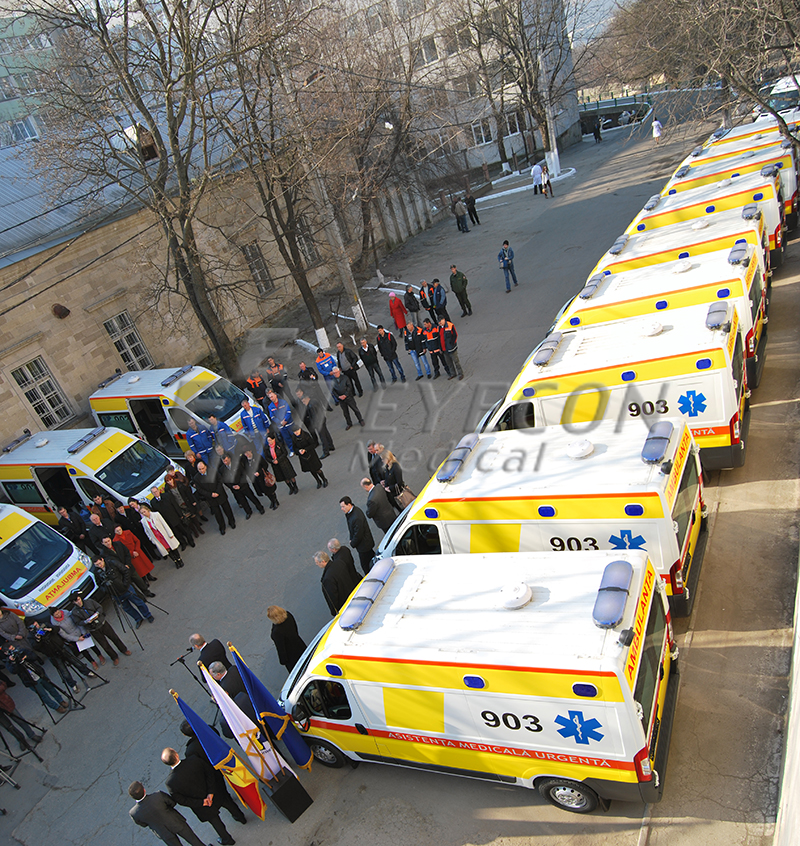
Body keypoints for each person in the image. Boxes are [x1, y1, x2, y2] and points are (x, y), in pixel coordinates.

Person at [161, 747, 236, 845]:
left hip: (202, 806)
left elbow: (181, 800)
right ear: (176, 755)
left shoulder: (170, 782)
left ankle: (227, 839)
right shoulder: (194, 760)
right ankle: (240, 817)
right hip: (215, 793)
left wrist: (202, 802)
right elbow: (209, 773)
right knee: (228, 804)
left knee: (215, 822)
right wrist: (211, 793)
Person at [128, 781, 208, 846]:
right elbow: (172, 803)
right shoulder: (158, 795)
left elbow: (143, 824)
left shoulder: (133, 813)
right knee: (193, 840)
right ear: (144, 790)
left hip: (163, 832)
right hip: (176, 822)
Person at [29, 621, 94, 693]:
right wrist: (38, 639)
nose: (36, 627)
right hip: (52, 654)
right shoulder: (31, 636)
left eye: (36, 624)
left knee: (75, 661)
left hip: (61, 648)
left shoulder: (45, 625)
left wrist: (49, 629)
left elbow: (57, 629)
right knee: (63, 670)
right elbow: (36, 647)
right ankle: (73, 685)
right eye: (33, 627)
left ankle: (87, 672)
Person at [3, 642, 69, 713]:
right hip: (30, 680)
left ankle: (60, 700)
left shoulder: (22, 651)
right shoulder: (8, 662)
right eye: (10, 651)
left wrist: (26, 657)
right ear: (6, 653)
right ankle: (56, 707)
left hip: (39, 673)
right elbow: (13, 671)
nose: (13, 651)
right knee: (43, 695)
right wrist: (13, 662)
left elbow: (34, 656)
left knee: (51, 688)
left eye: (13, 648)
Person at [70, 591, 131, 666]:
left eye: (79, 599)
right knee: (104, 645)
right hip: (94, 629)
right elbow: (78, 622)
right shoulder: (75, 612)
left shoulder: (89, 601)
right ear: (73, 602)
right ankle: (114, 657)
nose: (79, 602)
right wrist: (86, 622)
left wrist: (97, 613)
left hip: (102, 623)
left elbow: (99, 607)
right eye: (76, 601)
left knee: (114, 637)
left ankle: (124, 649)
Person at [94, 556, 155, 628]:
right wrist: (107, 590)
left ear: (102, 559)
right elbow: (99, 583)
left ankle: (148, 615)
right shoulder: (96, 572)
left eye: (100, 563)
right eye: (97, 565)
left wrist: (125, 584)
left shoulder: (112, 563)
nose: (99, 565)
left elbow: (125, 571)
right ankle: (138, 618)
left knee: (138, 602)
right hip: (115, 594)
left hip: (126, 589)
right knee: (127, 608)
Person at [194, 461, 236, 535]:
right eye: (199, 469)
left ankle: (231, 522)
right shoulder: (196, 478)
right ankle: (222, 527)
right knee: (217, 514)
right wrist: (210, 494)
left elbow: (220, 480)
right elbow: (200, 489)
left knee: (227, 509)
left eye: (202, 468)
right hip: (210, 498)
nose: (201, 470)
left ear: (206, 467)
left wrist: (217, 492)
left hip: (220, 494)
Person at [314, 550, 362, 615]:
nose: (316, 564)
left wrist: (335, 612)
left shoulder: (328, 578)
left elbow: (332, 598)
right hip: (353, 592)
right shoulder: (339, 562)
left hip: (345, 604)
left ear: (323, 561)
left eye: (317, 562)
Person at [139, 503, 186, 568]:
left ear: (148, 510)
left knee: (173, 547)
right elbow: (146, 531)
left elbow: (164, 524)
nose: (144, 513)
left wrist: (170, 533)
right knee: (167, 550)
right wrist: (151, 539)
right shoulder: (143, 521)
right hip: (157, 538)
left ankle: (179, 559)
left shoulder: (156, 514)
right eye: (142, 513)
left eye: (144, 511)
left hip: (164, 534)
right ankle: (175, 561)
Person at [220, 452, 265, 518]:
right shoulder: (222, 469)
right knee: (242, 501)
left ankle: (260, 507)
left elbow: (243, 474)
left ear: (229, 459)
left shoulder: (237, 464)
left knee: (251, 497)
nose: (225, 462)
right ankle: (248, 511)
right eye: (223, 461)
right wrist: (232, 486)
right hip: (234, 488)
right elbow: (225, 480)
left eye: (226, 460)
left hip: (243, 485)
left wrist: (240, 485)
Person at [340, 496, 375, 575]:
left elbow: (358, 534)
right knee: (371, 558)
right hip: (365, 544)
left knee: (365, 565)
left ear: (349, 505)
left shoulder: (356, 517)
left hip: (364, 546)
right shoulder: (353, 512)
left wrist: (352, 543)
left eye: (343, 506)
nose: (342, 509)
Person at [295, 388, 335, 457]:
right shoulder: (313, 402)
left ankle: (326, 451)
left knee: (322, 436)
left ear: (307, 399)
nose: (303, 403)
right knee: (325, 432)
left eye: (304, 401)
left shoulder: (311, 406)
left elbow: (314, 416)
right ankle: (331, 445)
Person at [267, 606, 307, 671]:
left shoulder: (277, 632)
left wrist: (283, 661)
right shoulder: (288, 615)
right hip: (299, 645)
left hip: (291, 656)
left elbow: (280, 648)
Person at [266, 389, 295, 454]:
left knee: (294, 435)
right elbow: (272, 417)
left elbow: (288, 411)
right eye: (270, 397)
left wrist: (285, 420)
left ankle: (298, 447)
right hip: (281, 426)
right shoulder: (270, 407)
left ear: (275, 395)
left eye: (272, 396)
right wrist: (280, 422)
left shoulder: (283, 402)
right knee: (287, 438)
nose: (271, 398)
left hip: (289, 423)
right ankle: (292, 450)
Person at [438, 315, 464, 380]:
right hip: (444, 349)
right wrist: (440, 348)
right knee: (449, 363)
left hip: (451, 348)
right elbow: (439, 339)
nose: (440, 323)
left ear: (444, 319)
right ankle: (453, 373)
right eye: (439, 322)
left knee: (456, 362)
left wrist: (452, 344)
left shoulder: (450, 325)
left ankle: (460, 373)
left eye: (440, 321)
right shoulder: (439, 328)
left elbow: (455, 335)